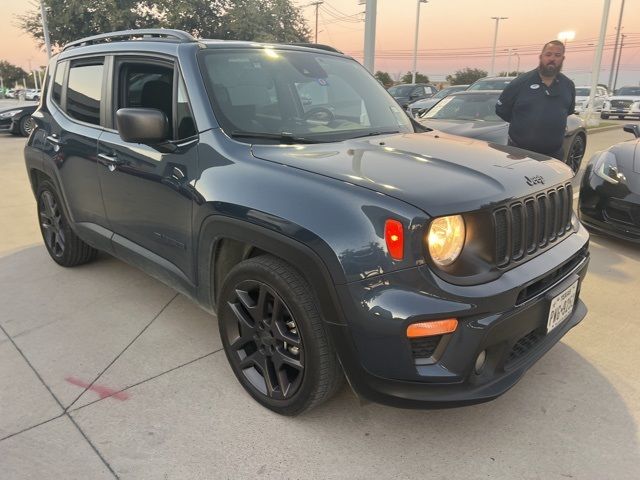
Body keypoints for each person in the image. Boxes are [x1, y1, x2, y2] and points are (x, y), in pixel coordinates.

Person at [495, 40, 575, 160]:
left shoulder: (568, 85)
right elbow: (502, 110)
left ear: (563, 59)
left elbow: (568, 111)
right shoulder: (520, 83)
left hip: (554, 156)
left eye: (557, 55)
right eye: (548, 54)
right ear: (541, 57)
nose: (552, 58)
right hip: (519, 154)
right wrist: (523, 122)